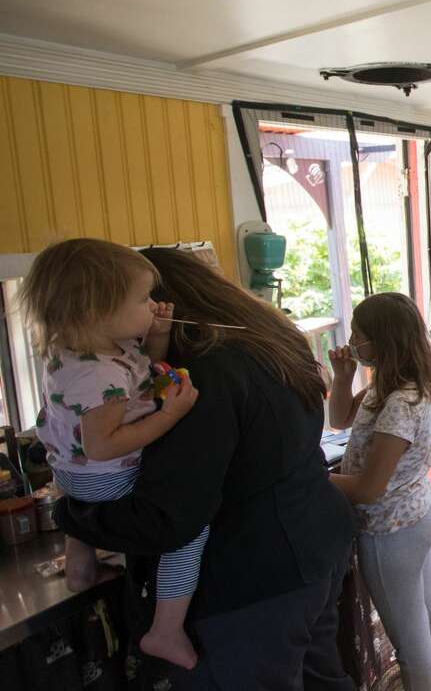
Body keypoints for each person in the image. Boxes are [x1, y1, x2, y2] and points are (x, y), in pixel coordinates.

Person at [56, 247, 356, 690]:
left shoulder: (200, 380)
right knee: (323, 679)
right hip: (317, 545)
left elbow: (171, 518)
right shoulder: (272, 341)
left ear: (161, 309)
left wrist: (71, 514)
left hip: (253, 580)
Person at [21, 239, 205, 668]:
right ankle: (166, 629)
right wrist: (172, 415)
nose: (153, 304)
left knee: (83, 506)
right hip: (105, 475)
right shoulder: (97, 373)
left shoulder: (84, 352)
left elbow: (140, 378)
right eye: (142, 299)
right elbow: (105, 443)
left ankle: (80, 568)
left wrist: (155, 334)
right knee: (189, 528)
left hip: (71, 476)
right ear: (96, 311)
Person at [328, 293, 431, 691]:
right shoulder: (392, 383)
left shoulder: (400, 401)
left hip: (391, 530)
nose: (352, 341)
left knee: (408, 638)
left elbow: (368, 488)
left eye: (358, 335)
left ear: (383, 341)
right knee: (428, 614)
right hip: (415, 513)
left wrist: (309, 478)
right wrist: (342, 375)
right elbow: (338, 420)